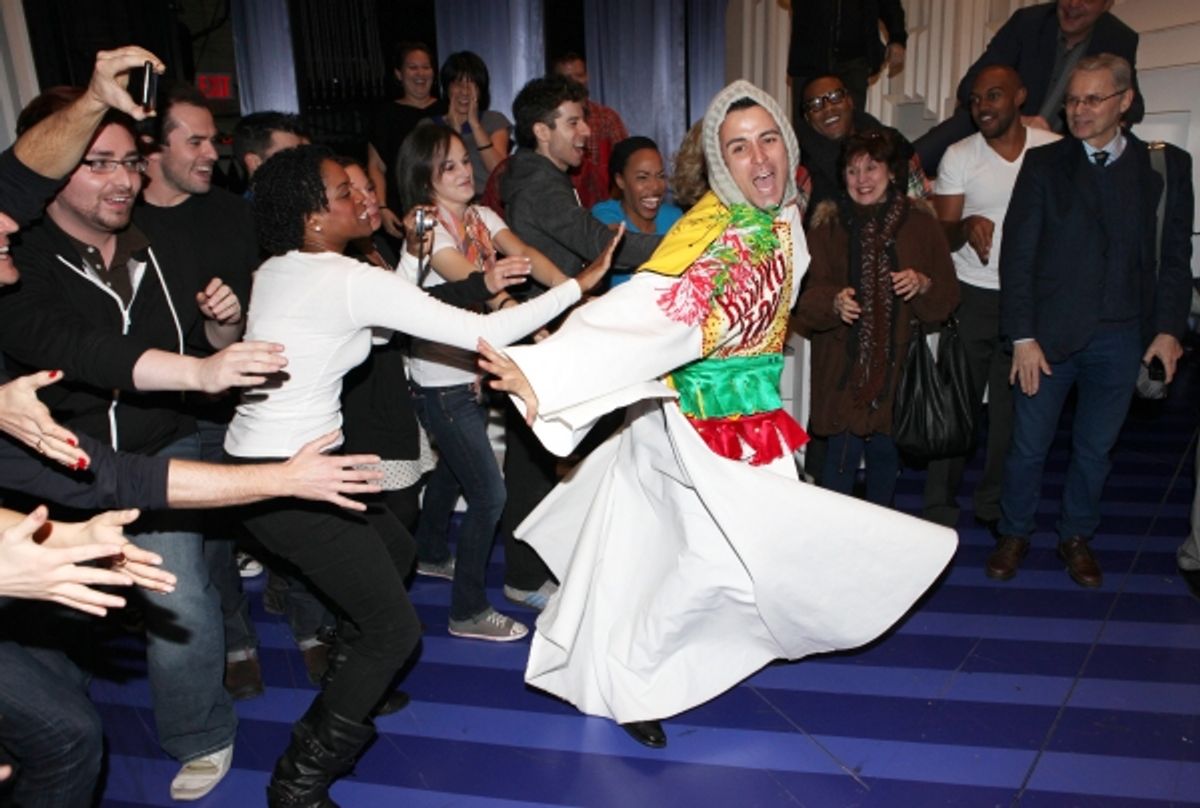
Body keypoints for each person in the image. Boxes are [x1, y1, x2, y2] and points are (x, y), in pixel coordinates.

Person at [477, 80, 957, 750]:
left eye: (767, 139)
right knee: (713, 565)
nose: (757, 156)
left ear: (788, 149)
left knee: (682, 556)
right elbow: (650, 307)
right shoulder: (723, 236)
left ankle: (636, 662)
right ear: (719, 164)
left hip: (747, 422)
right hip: (697, 425)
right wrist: (544, 368)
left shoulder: (784, 215)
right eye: (737, 147)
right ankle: (633, 681)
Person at [0, 46, 381, 807]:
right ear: (52, 177)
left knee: (182, 598)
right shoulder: (24, 255)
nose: (122, 179)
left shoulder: (153, 239)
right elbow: (85, 351)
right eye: (97, 162)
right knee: (61, 649)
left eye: (127, 163)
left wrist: (218, 344)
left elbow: (190, 350)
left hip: (151, 444)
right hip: (55, 464)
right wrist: (202, 373)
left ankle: (199, 734)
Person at [226, 144, 617, 806]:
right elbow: (474, 333)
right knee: (395, 629)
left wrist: (415, 262)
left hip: (268, 468)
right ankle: (299, 782)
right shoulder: (348, 278)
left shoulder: (278, 270)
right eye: (344, 192)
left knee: (398, 547)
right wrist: (580, 284)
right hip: (289, 480)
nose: (361, 198)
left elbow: (383, 323)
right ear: (313, 218)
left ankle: (356, 679)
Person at [991, 54, 1192, 588]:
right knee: (1028, 446)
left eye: (1092, 99)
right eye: (1073, 99)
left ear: (1124, 102)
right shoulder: (1045, 164)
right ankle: (1014, 532)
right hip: (1049, 340)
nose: (1077, 110)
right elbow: (1018, 256)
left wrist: (1169, 330)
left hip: (1123, 337)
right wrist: (1023, 336)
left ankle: (1076, 536)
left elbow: (1174, 257)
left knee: (1095, 448)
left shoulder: (1164, 167)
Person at [396, 123, 592, 629]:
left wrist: (573, 287)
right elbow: (472, 281)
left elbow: (527, 255)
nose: (465, 172)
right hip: (441, 380)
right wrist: (526, 317)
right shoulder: (428, 230)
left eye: (465, 161)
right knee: (489, 494)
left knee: (451, 470)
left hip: (475, 370)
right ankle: (468, 610)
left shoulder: (481, 215)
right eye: (449, 166)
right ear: (425, 178)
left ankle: (431, 550)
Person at [496, 74, 665, 609]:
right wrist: (693, 244)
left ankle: (546, 566)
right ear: (542, 131)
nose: (587, 131)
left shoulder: (536, 174)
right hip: (538, 335)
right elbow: (601, 245)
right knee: (537, 459)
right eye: (573, 121)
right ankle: (528, 576)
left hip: (545, 331)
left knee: (548, 455)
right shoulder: (539, 182)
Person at [921, 66, 1060, 533]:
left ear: (1020, 96)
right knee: (954, 404)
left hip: (1031, 302)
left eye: (994, 96)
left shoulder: (1054, 150)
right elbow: (939, 234)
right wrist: (965, 227)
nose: (983, 107)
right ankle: (939, 507)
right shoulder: (960, 155)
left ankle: (994, 504)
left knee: (1010, 413)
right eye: (976, 100)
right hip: (971, 297)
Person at [796, 128, 959, 506]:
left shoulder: (921, 223)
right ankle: (836, 550)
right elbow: (804, 300)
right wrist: (833, 303)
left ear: (891, 172)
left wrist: (921, 285)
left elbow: (948, 297)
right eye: (852, 171)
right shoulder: (826, 224)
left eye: (872, 167)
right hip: (841, 369)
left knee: (886, 462)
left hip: (896, 369)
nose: (862, 179)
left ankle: (879, 549)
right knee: (839, 466)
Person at [914, 0, 1142, 175]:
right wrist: (1019, 120)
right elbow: (969, 86)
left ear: (1107, 4)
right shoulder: (1028, 22)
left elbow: (1134, 107)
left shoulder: (1119, 38)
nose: (1073, 4)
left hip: (1060, 150)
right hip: (999, 128)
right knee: (910, 159)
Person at [368, 41, 445, 238]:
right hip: (401, 209)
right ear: (399, 74)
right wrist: (382, 207)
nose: (420, 73)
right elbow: (376, 166)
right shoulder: (385, 114)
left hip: (445, 206)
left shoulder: (446, 110)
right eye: (413, 68)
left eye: (426, 67)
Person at [787, 0, 908, 118]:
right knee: (806, 125)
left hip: (855, 57)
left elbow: (890, 4)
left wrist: (897, 39)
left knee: (851, 122)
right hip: (809, 56)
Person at [592, 136, 683, 286]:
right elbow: (618, 244)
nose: (655, 187)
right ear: (620, 181)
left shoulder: (674, 217)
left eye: (660, 176)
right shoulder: (606, 213)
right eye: (642, 178)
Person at [551, 53, 630, 208]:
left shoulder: (606, 117)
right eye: (567, 77)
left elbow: (626, 162)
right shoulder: (548, 119)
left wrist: (610, 203)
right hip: (560, 202)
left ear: (587, 77)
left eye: (579, 75)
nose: (574, 82)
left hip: (603, 205)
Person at [431, 51, 510, 197]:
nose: (464, 91)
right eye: (457, 83)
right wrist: (454, 130)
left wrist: (475, 125)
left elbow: (499, 171)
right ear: (447, 88)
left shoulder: (494, 120)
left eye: (471, 84)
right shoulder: (430, 126)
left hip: (488, 203)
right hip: (448, 202)